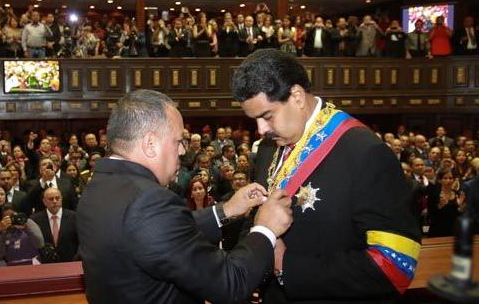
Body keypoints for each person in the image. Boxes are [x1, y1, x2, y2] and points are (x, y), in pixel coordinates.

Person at [231, 49, 422, 302]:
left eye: (267, 116)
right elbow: (258, 217)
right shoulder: (269, 147)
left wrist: (286, 267)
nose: (261, 130)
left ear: (297, 96)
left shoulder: (366, 152)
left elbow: (394, 265)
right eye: (254, 120)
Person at [77, 89, 293, 303]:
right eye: (178, 141)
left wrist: (225, 210)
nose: (182, 151)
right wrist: (265, 229)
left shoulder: (100, 184)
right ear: (150, 144)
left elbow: (159, 235)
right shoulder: (149, 201)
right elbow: (230, 283)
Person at [30, 187, 78, 262]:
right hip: (45, 265)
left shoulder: (74, 217)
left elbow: (80, 242)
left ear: (61, 199)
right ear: (44, 202)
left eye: (57, 198)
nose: (55, 201)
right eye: (51, 199)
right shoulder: (35, 220)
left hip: (70, 264)